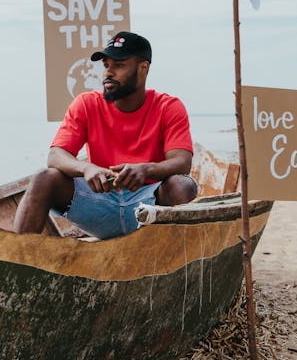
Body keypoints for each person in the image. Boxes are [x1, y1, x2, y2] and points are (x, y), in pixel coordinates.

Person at [13, 31, 197, 239]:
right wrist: (87, 168)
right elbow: (55, 156)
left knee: (182, 185)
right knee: (44, 178)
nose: (108, 73)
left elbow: (182, 162)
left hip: (149, 206)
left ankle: (181, 264)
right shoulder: (86, 103)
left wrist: (146, 169)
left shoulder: (168, 106)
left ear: (143, 68)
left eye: (119, 65)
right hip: (99, 204)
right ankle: (16, 262)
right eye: (106, 65)